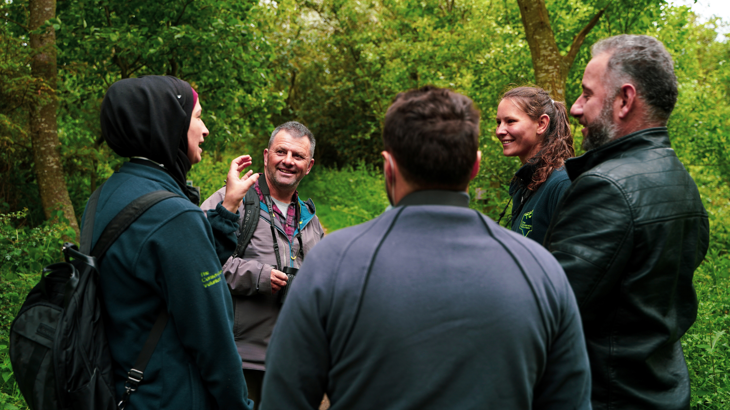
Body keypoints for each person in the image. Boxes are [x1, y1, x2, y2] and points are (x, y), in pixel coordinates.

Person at [260, 86, 592, 410]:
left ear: (388, 167)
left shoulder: (330, 263)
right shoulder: (541, 270)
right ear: (474, 167)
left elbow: (284, 396)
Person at [544, 35, 710, 410]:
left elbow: (550, 310)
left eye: (587, 94)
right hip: (660, 393)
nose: (574, 107)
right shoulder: (680, 179)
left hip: (607, 396)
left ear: (624, 100)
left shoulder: (606, 188)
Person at [92, 75, 256, 410]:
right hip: (170, 395)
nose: (205, 128)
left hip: (122, 388)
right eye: (197, 116)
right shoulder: (172, 214)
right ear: (168, 123)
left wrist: (227, 208)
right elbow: (212, 339)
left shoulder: (105, 197)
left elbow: (174, 267)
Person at [200, 121, 324, 410]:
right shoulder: (232, 199)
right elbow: (197, 263)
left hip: (294, 364)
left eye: (298, 156)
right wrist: (258, 276)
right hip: (240, 359)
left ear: (309, 165)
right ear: (267, 156)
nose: (288, 161)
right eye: (281, 152)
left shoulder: (311, 220)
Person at [495, 86, 574, 245]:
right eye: (498, 122)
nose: (499, 131)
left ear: (541, 124)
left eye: (510, 121)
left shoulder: (563, 183)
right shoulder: (527, 183)